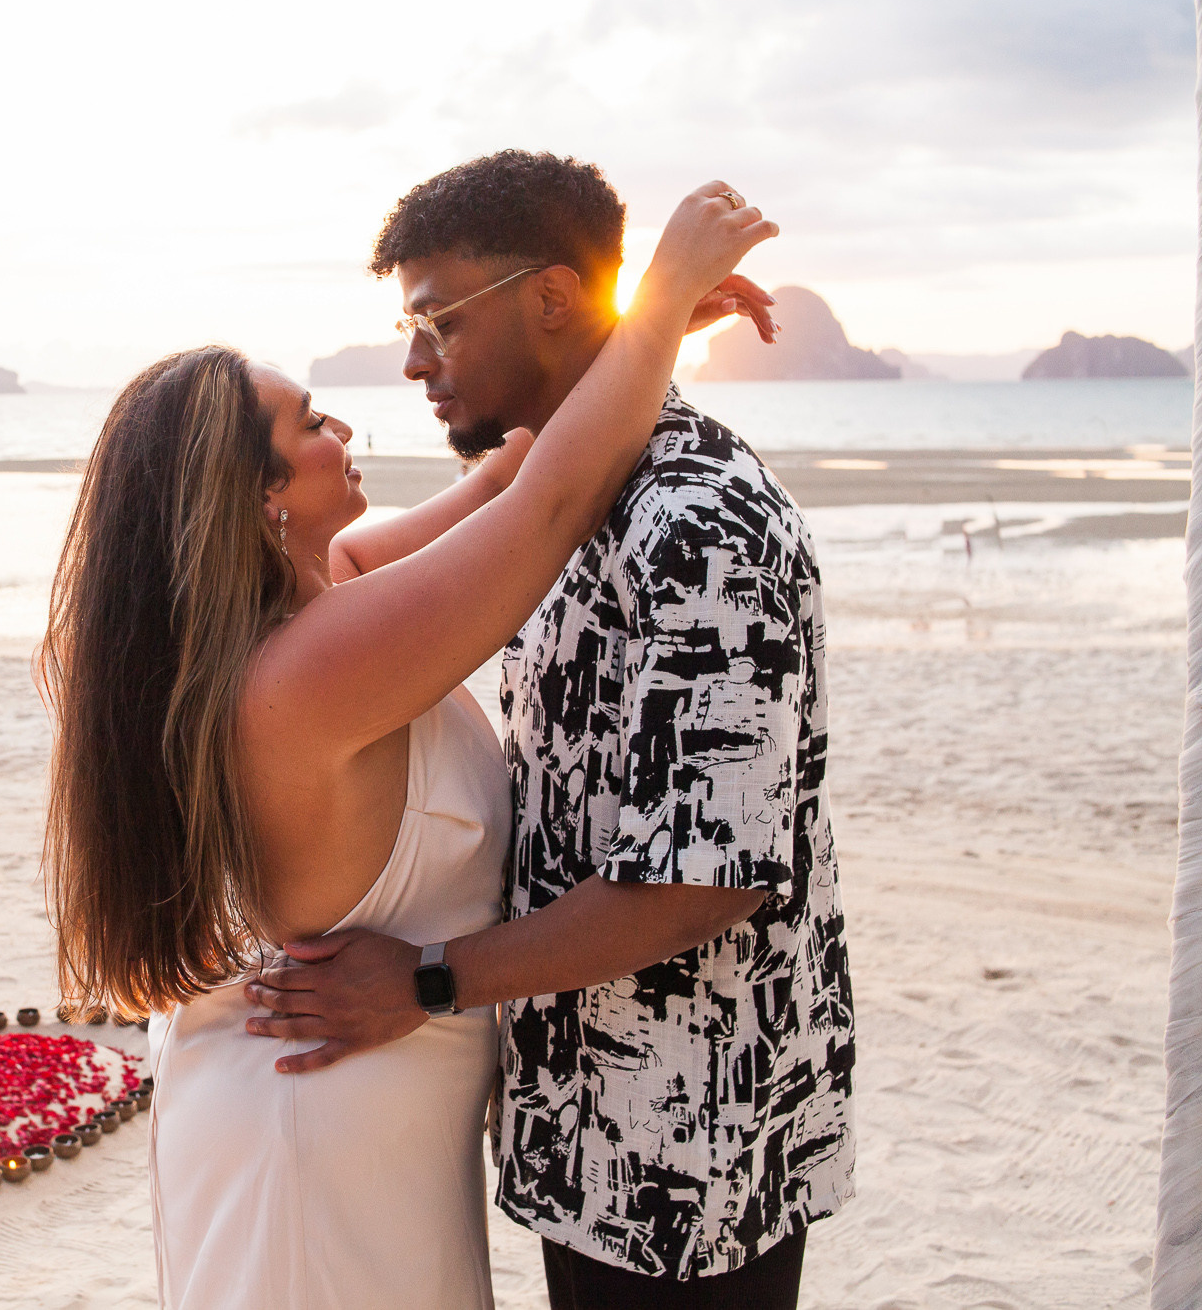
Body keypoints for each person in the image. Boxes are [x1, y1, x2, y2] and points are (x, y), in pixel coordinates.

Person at [40, 171, 776, 1308]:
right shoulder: (306, 674)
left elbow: (511, 474)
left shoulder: (313, 603)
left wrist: (615, 333)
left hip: (353, 1116)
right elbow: (547, 509)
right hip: (319, 1138)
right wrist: (665, 281)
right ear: (259, 499)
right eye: (307, 423)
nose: (344, 424)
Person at [242, 150, 855, 1309]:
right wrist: (649, 328)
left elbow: (705, 878)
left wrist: (422, 982)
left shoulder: (694, 522)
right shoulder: (567, 502)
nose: (413, 360)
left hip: (689, 1156)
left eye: (437, 320)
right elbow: (365, 565)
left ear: (552, 299)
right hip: (581, 1131)